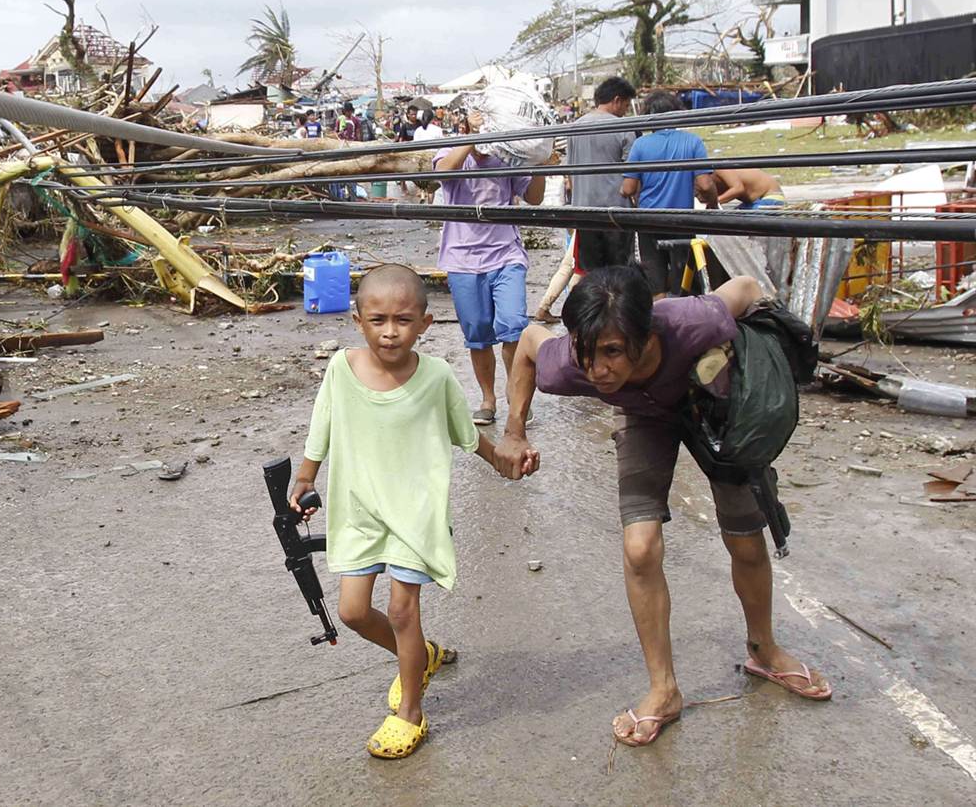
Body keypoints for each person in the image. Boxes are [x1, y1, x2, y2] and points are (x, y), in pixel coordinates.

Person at [493, 265, 832, 748]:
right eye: (587, 353)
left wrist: (759, 361)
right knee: (640, 548)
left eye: (612, 352)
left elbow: (748, 288)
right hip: (643, 418)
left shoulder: (695, 322)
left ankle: (764, 648)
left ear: (647, 333)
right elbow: (528, 341)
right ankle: (663, 689)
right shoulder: (566, 363)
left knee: (745, 539)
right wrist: (514, 429)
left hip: (712, 405)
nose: (598, 370)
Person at [289, 264, 498, 759]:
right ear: (358, 319)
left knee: (404, 611)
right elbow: (324, 425)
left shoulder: (437, 376)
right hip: (359, 511)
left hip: (415, 513)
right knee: (353, 612)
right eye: (378, 319)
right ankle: (420, 657)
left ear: (425, 324)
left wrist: (504, 461)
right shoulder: (341, 368)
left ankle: (411, 711)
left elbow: (465, 435)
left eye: (403, 320)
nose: (390, 331)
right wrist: (304, 476)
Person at [434, 110, 547, 425]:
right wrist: (473, 138)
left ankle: (516, 393)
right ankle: (488, 398)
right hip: (462, 258)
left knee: (513, 326)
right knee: (478, 334)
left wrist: (539, 160)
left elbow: (535, 198)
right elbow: (443, 172)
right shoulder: (451, 150)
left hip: (506, 254)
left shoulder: (507, 156)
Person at [535, 76, 638, 324]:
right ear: (616, 101)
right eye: (625, 105)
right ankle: (614, 322)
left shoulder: (575, 127)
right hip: (616, 214)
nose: (624, 111)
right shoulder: (622, 128)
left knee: (589, 273)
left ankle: (589, 320)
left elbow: (569, 171)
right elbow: (631, 175)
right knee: (617, 276)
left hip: (584, 213)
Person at [621, 91, 718, 296]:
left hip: (649, 220)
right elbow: (706, 185)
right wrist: (712, 203)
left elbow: (628, 188)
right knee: (684, 281)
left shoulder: (641, 145)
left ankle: (660, 322)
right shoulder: (693, 142)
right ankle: (683, 322)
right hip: (681, 220)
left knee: (655, 285)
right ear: (676, 114)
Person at [708, 168, 785, 209]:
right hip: (751, 203)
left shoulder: (719, 169)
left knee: (738, 221)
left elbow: (738, 189)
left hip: (770, 197)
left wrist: (715, 202)